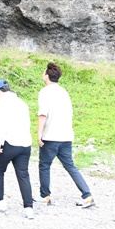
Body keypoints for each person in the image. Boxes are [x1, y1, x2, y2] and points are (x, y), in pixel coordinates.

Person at [36, 61, 95, 208]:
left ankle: (45, 196)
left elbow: (43, 114)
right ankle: (87, 196)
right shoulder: (64, 92)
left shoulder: (45, 92)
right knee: (70, 166)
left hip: (51, 136)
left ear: (47, 76)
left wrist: (39, 133)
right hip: (66, 136)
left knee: (44, 165)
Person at [0, 79, 35, 219]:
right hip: (25, 144)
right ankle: (28, 208)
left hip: (10, 142)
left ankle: (0, 201)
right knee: (23, 174)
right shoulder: (22, 102)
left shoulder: (3, 102)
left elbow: (2, 123)